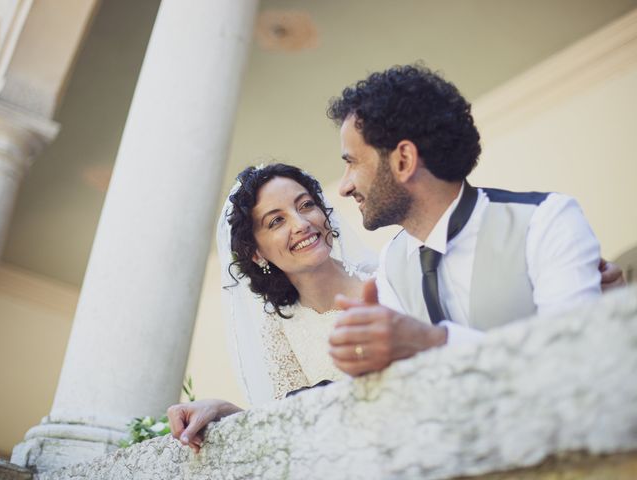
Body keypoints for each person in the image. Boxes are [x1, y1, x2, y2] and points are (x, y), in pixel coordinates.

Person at [326, 63, 623, 377]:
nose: (344, 186)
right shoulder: (391, 263)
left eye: (352, 163)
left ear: (404, 160)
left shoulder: (545, 221)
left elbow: (578, 360)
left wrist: (434, 342)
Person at [168, 163, 375, 452]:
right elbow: (291, 426)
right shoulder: (280, 330)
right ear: (256, 253)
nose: (301, 224)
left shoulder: (384, 280)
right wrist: (225, 411)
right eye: (276, 221)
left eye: (306, 205)